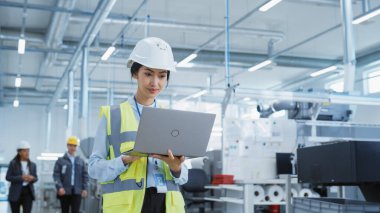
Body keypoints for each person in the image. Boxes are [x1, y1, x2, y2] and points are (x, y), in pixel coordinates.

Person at [88, 37, 188, 213]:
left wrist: (176, 168)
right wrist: (125, 160)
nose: (155, 83)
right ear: (135, 73)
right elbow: (94, 169)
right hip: (129, 207)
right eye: (148, 74)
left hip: (166, 204)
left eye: (162, 76)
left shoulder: (172, 118)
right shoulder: (113, 116)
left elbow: (183, 177)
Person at [53, 136, 88, 213]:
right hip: (64, 190)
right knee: (64, 211)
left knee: (76, 211)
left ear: (77, 147)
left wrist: (85, 188)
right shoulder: (61, 161)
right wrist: (59, 187)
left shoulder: (81, 161)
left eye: (74, 146)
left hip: (77, 191)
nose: (72, 148)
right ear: (67, 146)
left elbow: (85, 176)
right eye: (71, 145)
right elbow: (56, 175)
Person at [6, 140, 38, 213]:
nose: (27, 153)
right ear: (19, 152)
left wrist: (32, 178)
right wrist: (21, 177)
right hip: (15, 193)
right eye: (25, 151)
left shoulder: (33, 165)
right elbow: (8, 177)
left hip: (28, 192)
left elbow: (36, 178)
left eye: (28, 151)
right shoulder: (13, 164)